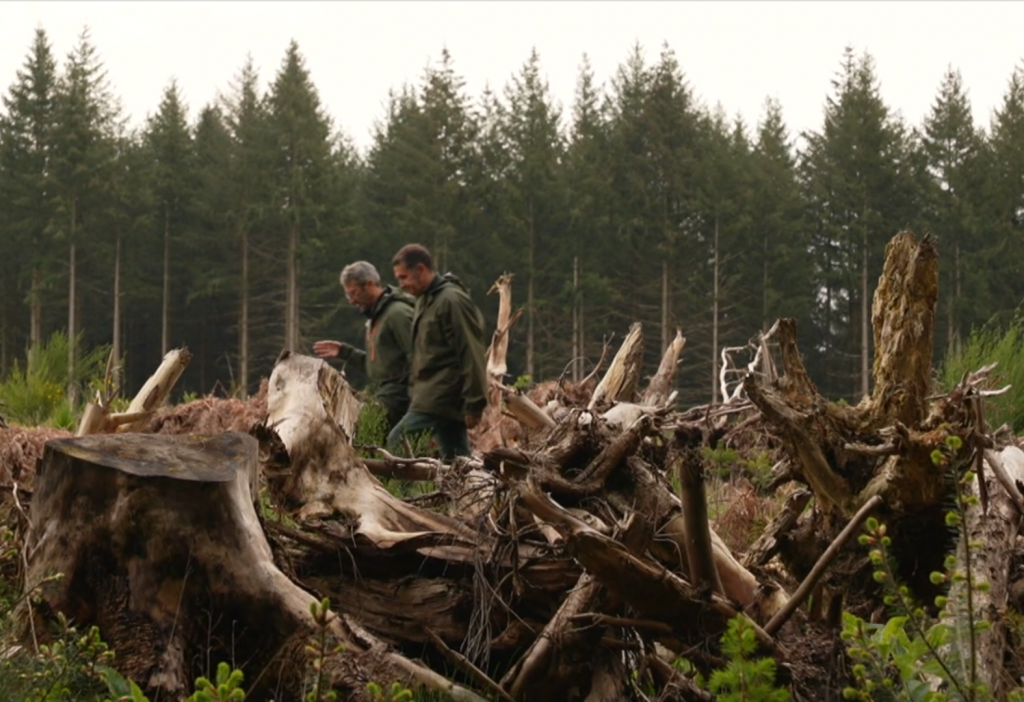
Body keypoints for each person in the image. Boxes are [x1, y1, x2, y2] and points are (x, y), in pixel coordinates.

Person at [388, 244, 488, 459]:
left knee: (397, 440)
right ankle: (469, 492)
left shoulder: (451, 300)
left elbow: (471, 351)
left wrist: (475, 403)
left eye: (404, 277)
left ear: (421, 270)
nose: (402, 285)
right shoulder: (426, 300)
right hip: (434, 396)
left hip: (440, 396)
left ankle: (398, 493)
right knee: (457, 459)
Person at [313, 261, 414, 431]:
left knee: (363, 431)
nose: (352, 301)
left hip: (401, 397)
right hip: (387, 394)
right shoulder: (377, 318)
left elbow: (420, 358)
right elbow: (378, 367)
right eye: (348, 296)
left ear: (370, 284)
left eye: (354, 293)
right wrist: (345, 352)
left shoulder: (397, 314)